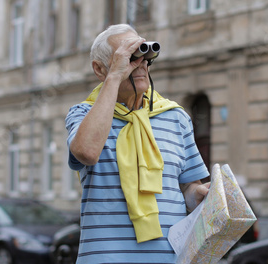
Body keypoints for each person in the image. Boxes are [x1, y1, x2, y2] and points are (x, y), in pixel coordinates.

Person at [65, 24, 210, 263]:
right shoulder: (83, 114)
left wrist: (200, 195)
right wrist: (115, 75)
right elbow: (87, 152)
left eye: (143, 56)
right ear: (99, 69)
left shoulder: (176, 117)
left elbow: (188, 187)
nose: (139, 63)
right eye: (129, 57)